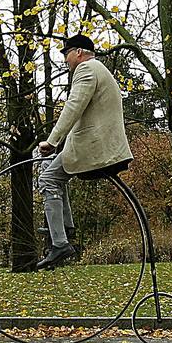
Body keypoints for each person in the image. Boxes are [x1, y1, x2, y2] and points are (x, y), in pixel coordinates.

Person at [32, 34, 133, 270]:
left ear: (78, 52)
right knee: (49, 168)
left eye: (66, 54)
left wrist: (52, 140)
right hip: (100, 147)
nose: (66, 61)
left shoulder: (86, 69)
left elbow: (73, 106)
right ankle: (64, 227)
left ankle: (59, 243)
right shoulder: (100, 70)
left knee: (47, 178)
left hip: (96, 149)